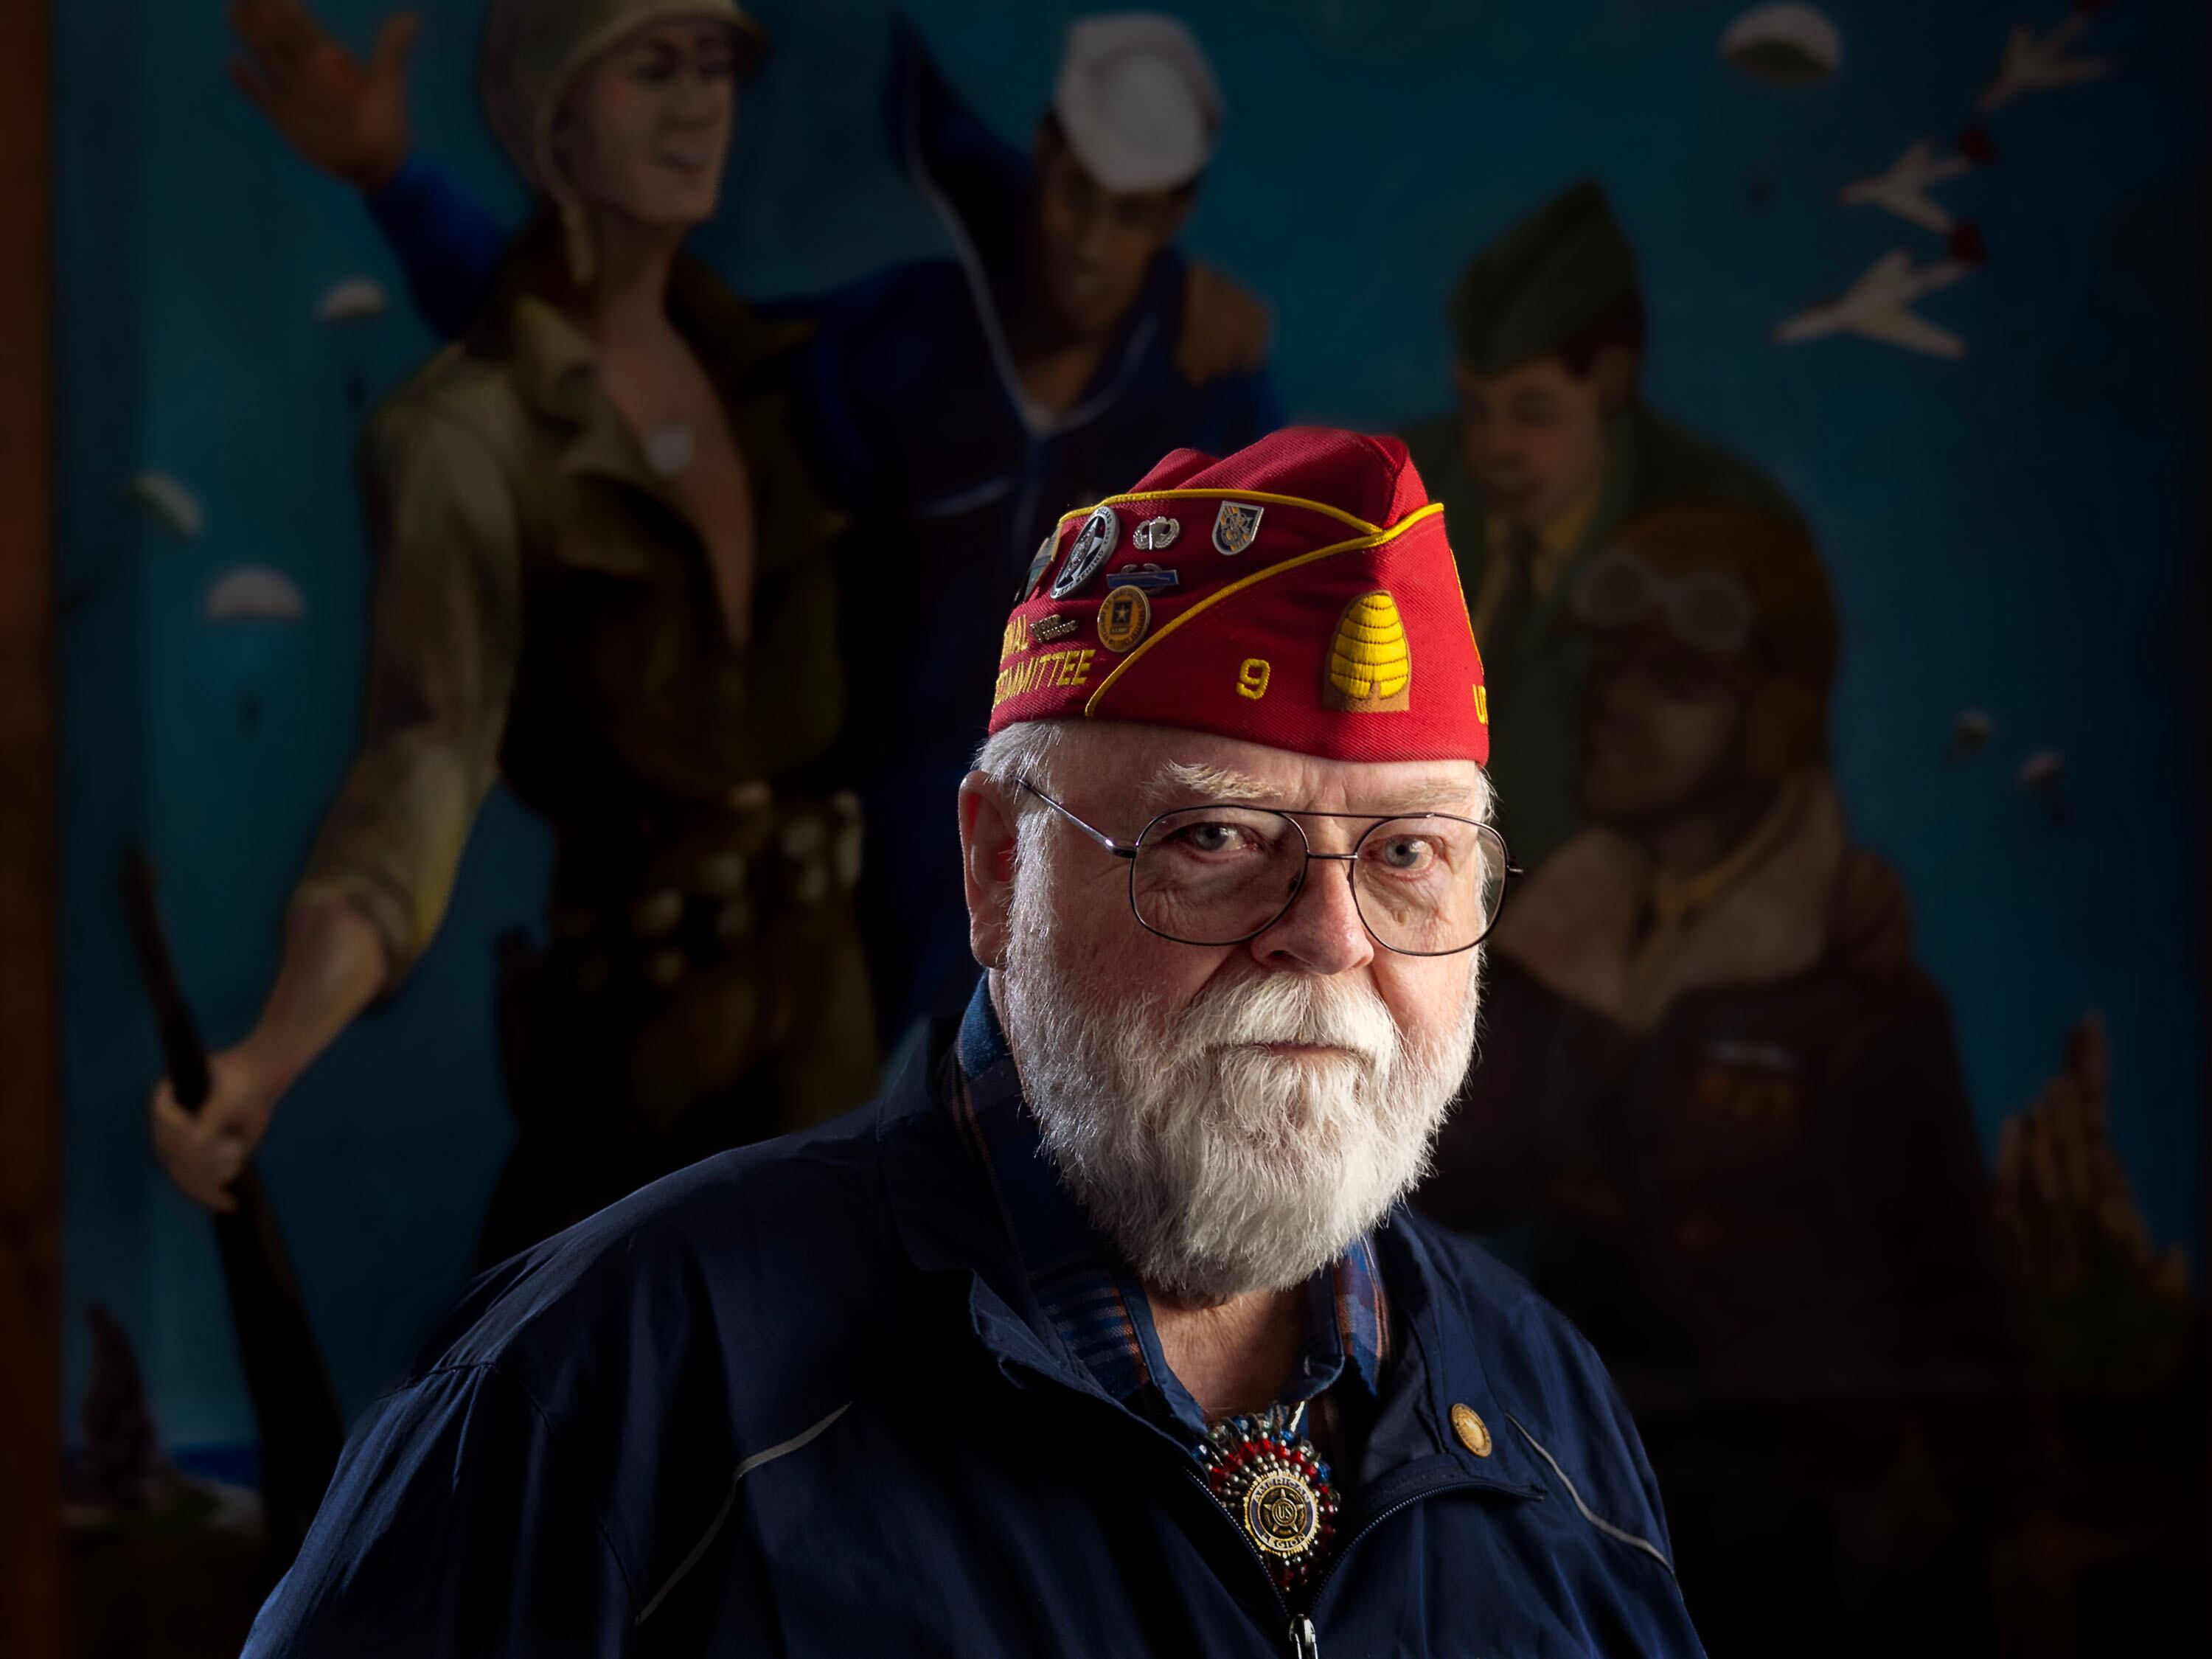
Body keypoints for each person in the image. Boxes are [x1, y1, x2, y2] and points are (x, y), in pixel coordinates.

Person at [240, 428, 1705, 1655]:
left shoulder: (1545, 1415)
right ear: (998, 869)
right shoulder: (618, 1382)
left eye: (1406, 858)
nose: (1330, 939)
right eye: (1214, 837)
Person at [223, 1, 1284, 1043]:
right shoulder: (902, 349)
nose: (1093, 242)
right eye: (1075, 193)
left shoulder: (1210, 402)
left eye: (1135, 211)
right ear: (1041, 159)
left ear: (1178, 213)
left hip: (1085, 930)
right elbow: (614, 377)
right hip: (853, 925)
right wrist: (400, 188)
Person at [153, 0, 875, 1268]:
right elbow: (423, 762)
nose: (700, 102)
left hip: (829, 1037)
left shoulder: (781, 378)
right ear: (554, 120)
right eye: (652, 69)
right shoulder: (464, 441)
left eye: (713, 67)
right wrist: (271, 1051)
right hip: (639, 1047)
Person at [1416, 506, 2012, 1651]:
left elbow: (1957, 1296)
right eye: (1612, 667)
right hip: (1576, 1500)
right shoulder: (1557, 940)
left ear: (1774, 721)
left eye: (1674, 681)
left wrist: (2011, 1522)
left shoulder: (1863, 1000)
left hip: (1800, 1550)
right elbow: (1468, 1175)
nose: (1616, 703)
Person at [1400, 180, 1805, 869]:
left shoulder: (1722, 526)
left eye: (1533, 412)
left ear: (1611, 381)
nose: (1495, 449)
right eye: (1476, 409)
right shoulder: (1403, 490)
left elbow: (1780, 773)